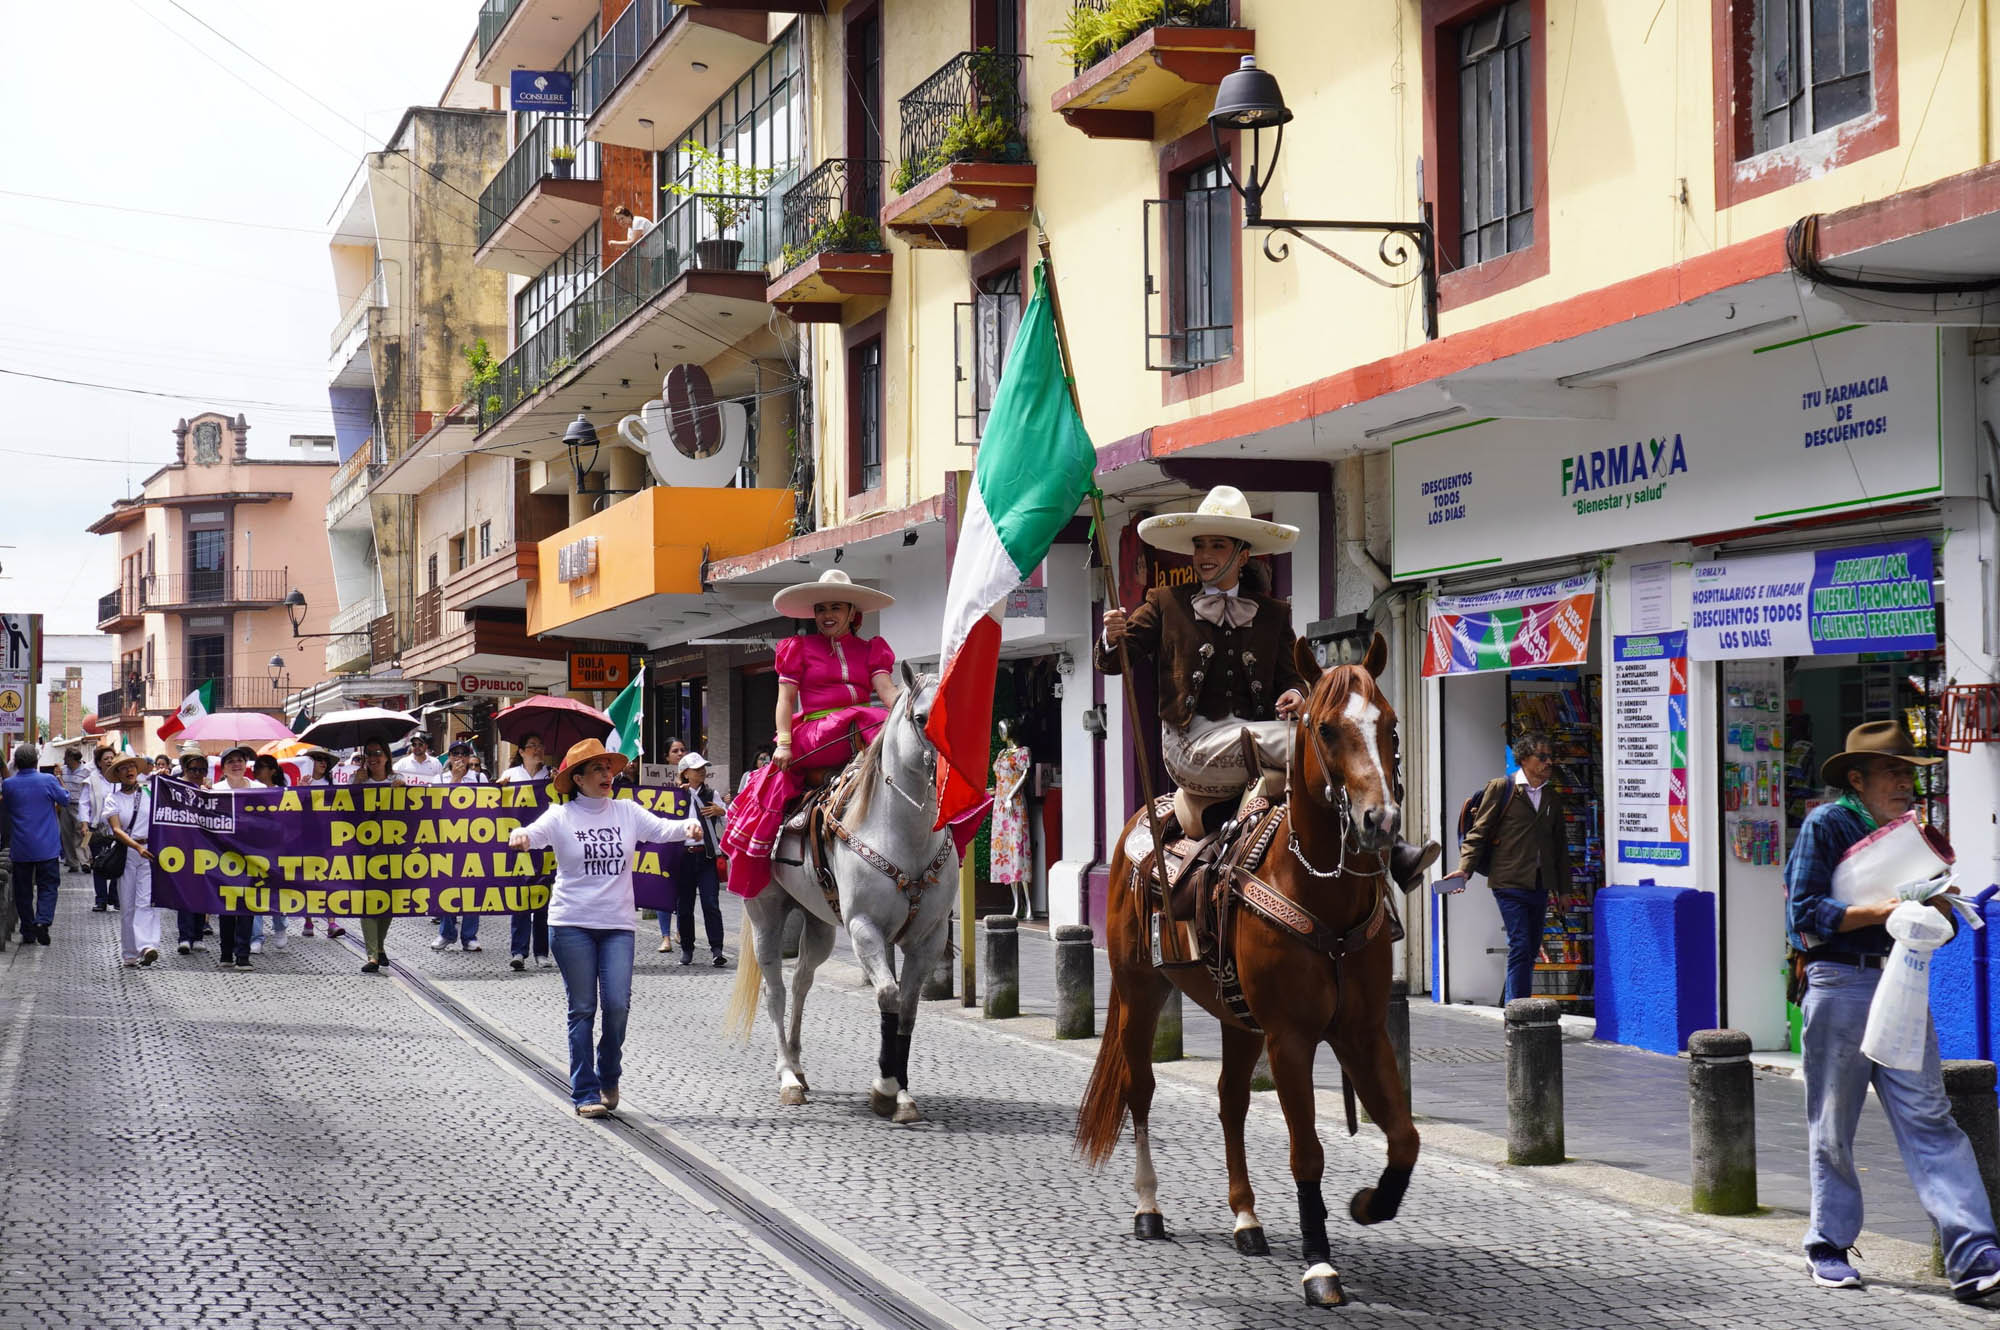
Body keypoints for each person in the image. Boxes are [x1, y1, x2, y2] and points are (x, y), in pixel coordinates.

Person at [1099, 485, 1439, 880]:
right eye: (1200, 546)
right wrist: (1112, 635)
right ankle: (1396, 849)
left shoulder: (1272, 613)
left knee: (1321, 763)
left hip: (1258, 740)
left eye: (1217, 546)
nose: (1204, 556)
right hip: (1190, 747)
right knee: (1310, 742)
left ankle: (1374, 861)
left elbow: (1292, 676)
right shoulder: (1166, 601)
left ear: (1243, 555)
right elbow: (1114, 661)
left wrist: (1296, 695)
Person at [1784, 721, 2000, 1301]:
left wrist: (1936, 916)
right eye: (1895, 772)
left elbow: (1932, 919)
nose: (1907, 783)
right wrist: (1881, 910)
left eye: (1911, 773)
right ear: (1858, 778)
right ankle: (1827, 1245)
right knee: (1834, 1124)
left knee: (1930, 1116)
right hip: (1840, 982)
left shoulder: (1911, 835)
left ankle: (1974, 1252)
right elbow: (1804, 915)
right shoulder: (1828, 823)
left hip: (1900, 979)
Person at [724, 569, 984, 898]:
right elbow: (785, 700)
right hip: (817, 735)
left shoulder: (871, 649)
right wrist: (784, 743)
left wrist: (919, 717)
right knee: (860, 724)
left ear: (851, 612)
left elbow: (888, 692)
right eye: (821, 609)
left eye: (835, 607)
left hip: (863, 729)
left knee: (903, 742)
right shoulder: (798, 648)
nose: (827, 615)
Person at [508, 738, 703, 1117]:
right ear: (577, 779)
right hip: (570, 924)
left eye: (608, 768)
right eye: (597, 770)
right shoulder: (560, 816)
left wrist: (690, 825)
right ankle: (584, 1092)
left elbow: (664, 830)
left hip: (617, 925)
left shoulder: (627, 811)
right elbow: (532, 834)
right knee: (582, 1009)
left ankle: (609, 1071)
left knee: (617, 1005)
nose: (606, 775)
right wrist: (522, 836)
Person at [1436, 732, 1568, 1004]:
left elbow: (1560, 847)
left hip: (1540, 884)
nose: (1548, 762)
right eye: (1542, 757)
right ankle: (1517, 1011)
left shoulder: (1552, 798)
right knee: (1520, 944)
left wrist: (1563, 890)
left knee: (1530, 948)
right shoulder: (1501, 788)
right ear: (1524, 759)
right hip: (1508, 881)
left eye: (1550, 757)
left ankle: (1517, 1002)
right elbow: (1478, 833)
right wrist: (1465, 869)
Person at [3, 743, 71, 946]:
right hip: (47, 846)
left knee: (23, 890)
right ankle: (43, 921)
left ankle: (28, 929)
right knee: (48, 886)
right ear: (36, 760)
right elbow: (65, 799)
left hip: (21, 846)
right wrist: (59, 780)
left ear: (16, 762)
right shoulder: (48, 780)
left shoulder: (8, 785)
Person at [500, 734, 554, 971]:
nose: (537, 749)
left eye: (540, 745)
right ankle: (518, 951)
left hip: (545, 845)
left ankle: (541, 952)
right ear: (521, 751)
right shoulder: (511, 776)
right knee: (520, 898)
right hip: (518, 845)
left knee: (542, 896)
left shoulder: (550, 776)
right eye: (532, 746)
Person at [103, 753, 160, 968]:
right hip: (127, 852)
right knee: (127, 904)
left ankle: (147, 945)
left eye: (131, 767)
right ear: (117, 774)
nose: (129, 771)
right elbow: (116, 829)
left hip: (149, 852)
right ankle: (129, 952)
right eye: (123, 768)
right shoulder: (113, 799)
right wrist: (136, 846)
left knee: (146, 900)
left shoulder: (149, 793)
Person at [430, 742, 487, 952]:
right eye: (455, 754)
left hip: (473, 842)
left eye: (464, 754)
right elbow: (436, 808)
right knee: (446, 887)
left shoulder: (480, 779)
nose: (460, 757)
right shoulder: (439, 780)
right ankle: (446, 933)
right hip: (446, 841)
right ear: (449, 757)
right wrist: (455, 780)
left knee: (472, 889)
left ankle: (470, 936)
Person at [674, 752, 728, 968]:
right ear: (685, 773)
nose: (702, 771)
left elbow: (729, 817)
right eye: (696, 769)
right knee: (684, 907)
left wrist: (720, 809)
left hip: (705, 857)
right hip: (683, 858)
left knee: (711, 903)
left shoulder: (711, 793)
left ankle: (717, 949)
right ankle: (687, 948)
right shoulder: (675, 795)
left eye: (703, 768)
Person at [212, 747, 264, 969]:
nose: (236, 764)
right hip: (223, 855)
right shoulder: (215, 790)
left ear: (246, 764)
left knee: (246, 905)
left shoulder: (260, 788)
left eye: (240, 760)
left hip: (252, 856)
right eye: (231, 761)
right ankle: (226, 953)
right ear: (223, 767)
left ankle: (242, 955)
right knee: (226, 906)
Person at [354, 741, 399, 973]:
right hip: (365, 850)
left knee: (387, 901)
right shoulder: (359, 781)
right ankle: (372, 954)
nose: (373, 758)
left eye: (378, 753)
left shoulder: (397, 781)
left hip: (392, 850)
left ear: (387, 757)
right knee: (368, 900)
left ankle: (380, 947)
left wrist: (403, 791)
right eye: (369, 754)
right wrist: (356, 786)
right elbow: (347, 812)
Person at [294, 750, 345, 939]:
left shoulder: (332, 785)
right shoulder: (302, 782)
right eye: (318, 759)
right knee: (309, 879)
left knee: (329, 880)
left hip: (328, 837)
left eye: (325, 760)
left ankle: (332, 922)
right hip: (306, 838)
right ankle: (308, 920)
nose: (323, 763)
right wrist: (299, 791)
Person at [171, 752, 211, 954]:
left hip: (204, 848)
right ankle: (184, 936)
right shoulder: (172, 788)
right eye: (193, 769)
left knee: (202, 891)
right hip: (181, 847)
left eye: (202, 770)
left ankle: (198, 935)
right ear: (184, 769)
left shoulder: (207, 790)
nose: (197, 773)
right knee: (185, 892)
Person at [80, 746, 120, 910]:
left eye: (112, 757)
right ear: (98, 762)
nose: (110, 760)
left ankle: (114, 896)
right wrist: (84, 824)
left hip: (118, 829)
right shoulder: (92, 780)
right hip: (98, 829)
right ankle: (101, 900)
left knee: (118, 862)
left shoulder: (120, 778)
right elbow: (84, 804)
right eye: (106, 758)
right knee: (99, 863)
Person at [59, 747, 90, 875]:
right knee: (66, 834)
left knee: (82, 834)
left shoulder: (86, 771)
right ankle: (72, 863)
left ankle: (85, 862)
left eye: (66, 757)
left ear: (72, 759)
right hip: (66, 806)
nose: (64, 759)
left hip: (80, 805)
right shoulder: (63, 770)